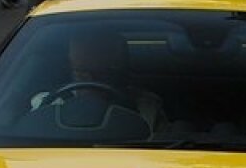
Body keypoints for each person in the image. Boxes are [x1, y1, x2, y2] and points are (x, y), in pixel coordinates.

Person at [31, 30, 169, 131]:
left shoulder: (146, 108)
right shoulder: (47, 105)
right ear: (70, 68)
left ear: (121, 69)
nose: (91, 81)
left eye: (102, 74)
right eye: (82, 73)